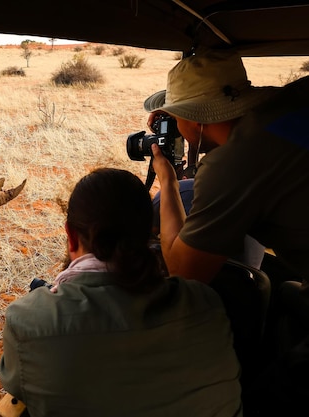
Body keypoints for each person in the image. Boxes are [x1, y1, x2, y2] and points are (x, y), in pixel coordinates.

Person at [0, 167, 242, 417]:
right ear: (151, 233)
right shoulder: (207, 303)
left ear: (71, 236)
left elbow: (18, 386)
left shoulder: (28, 321)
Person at [146, 47, 309, 415]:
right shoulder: (292, 103)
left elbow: (184, 272)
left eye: (176, 114)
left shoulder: (234, 163)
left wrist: (167, 181)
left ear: (194, 119)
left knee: (264, 401)